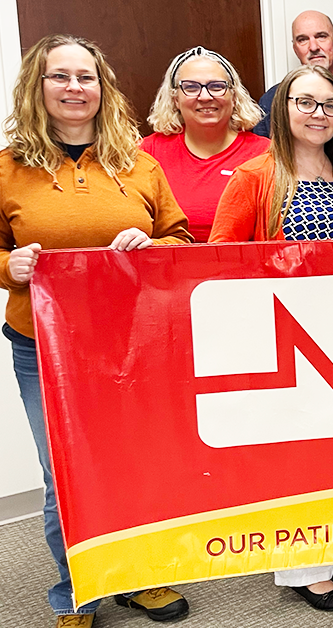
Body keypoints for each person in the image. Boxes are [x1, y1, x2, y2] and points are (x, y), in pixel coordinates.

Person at [0, 34, 192, 628]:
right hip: (44, 347)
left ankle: (140, 578)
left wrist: (150, 245)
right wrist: (12, 268)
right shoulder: (7, 169)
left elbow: (182, 241)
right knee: (64, 473)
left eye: (86, 76)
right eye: (60, 76)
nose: (74, 87)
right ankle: (77, 589)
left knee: (134, 461)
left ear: (102, 87)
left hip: (132, 344)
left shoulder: (139, 162)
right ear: (38, 87)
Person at [210, 65, 333, 610]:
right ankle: (306, 565)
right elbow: (220, 259)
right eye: (306, 103)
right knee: (300, 457)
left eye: (330, 105)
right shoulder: (255, 177)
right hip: (288, 340)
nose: (319, 114)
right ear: (282, 111)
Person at [142, 46, 270, 242]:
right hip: (169, 267)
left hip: (243, 269)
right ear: (175, 99)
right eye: (191, 87)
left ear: (234, 96)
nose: (205, 97)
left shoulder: (265, 153)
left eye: (217, 86)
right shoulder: (147, 153)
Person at [253, 10, 333, 137]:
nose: (313, 47)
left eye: (321, 36)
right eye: (303, 39)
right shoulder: (272, 100)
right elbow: (263, 154)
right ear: (295, 49)